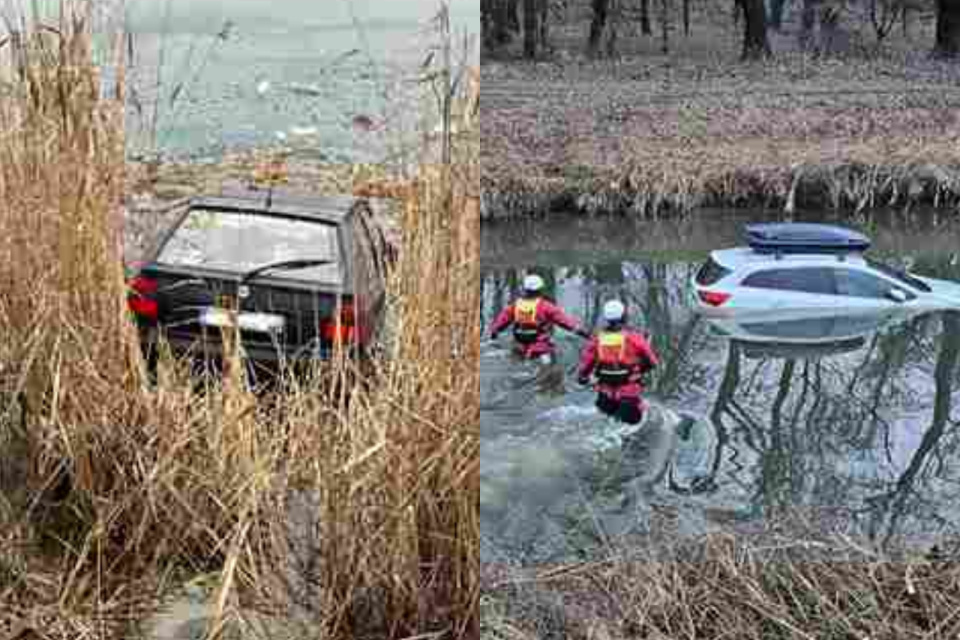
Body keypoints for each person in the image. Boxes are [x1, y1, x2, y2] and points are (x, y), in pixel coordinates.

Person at [577, 299, 659, 425]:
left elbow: (585, 369)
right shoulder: (635, 339)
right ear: (624, 317)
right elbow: (653, 362)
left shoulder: (596, 340)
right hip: (629, 397)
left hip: (605, 398)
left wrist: (583, 378)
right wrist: (640, 370)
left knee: (610, 421)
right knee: (638, 418)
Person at [489, 274, 590, 364]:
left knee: (518, 361)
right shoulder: (546, 307)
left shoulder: (515, 306)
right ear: (541, 290)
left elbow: (500, 323)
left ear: (525, 289)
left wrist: (494, 333)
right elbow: (565, 323)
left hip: (519, 345)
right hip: (540, 348)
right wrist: (583, 333)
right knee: (548, 366)